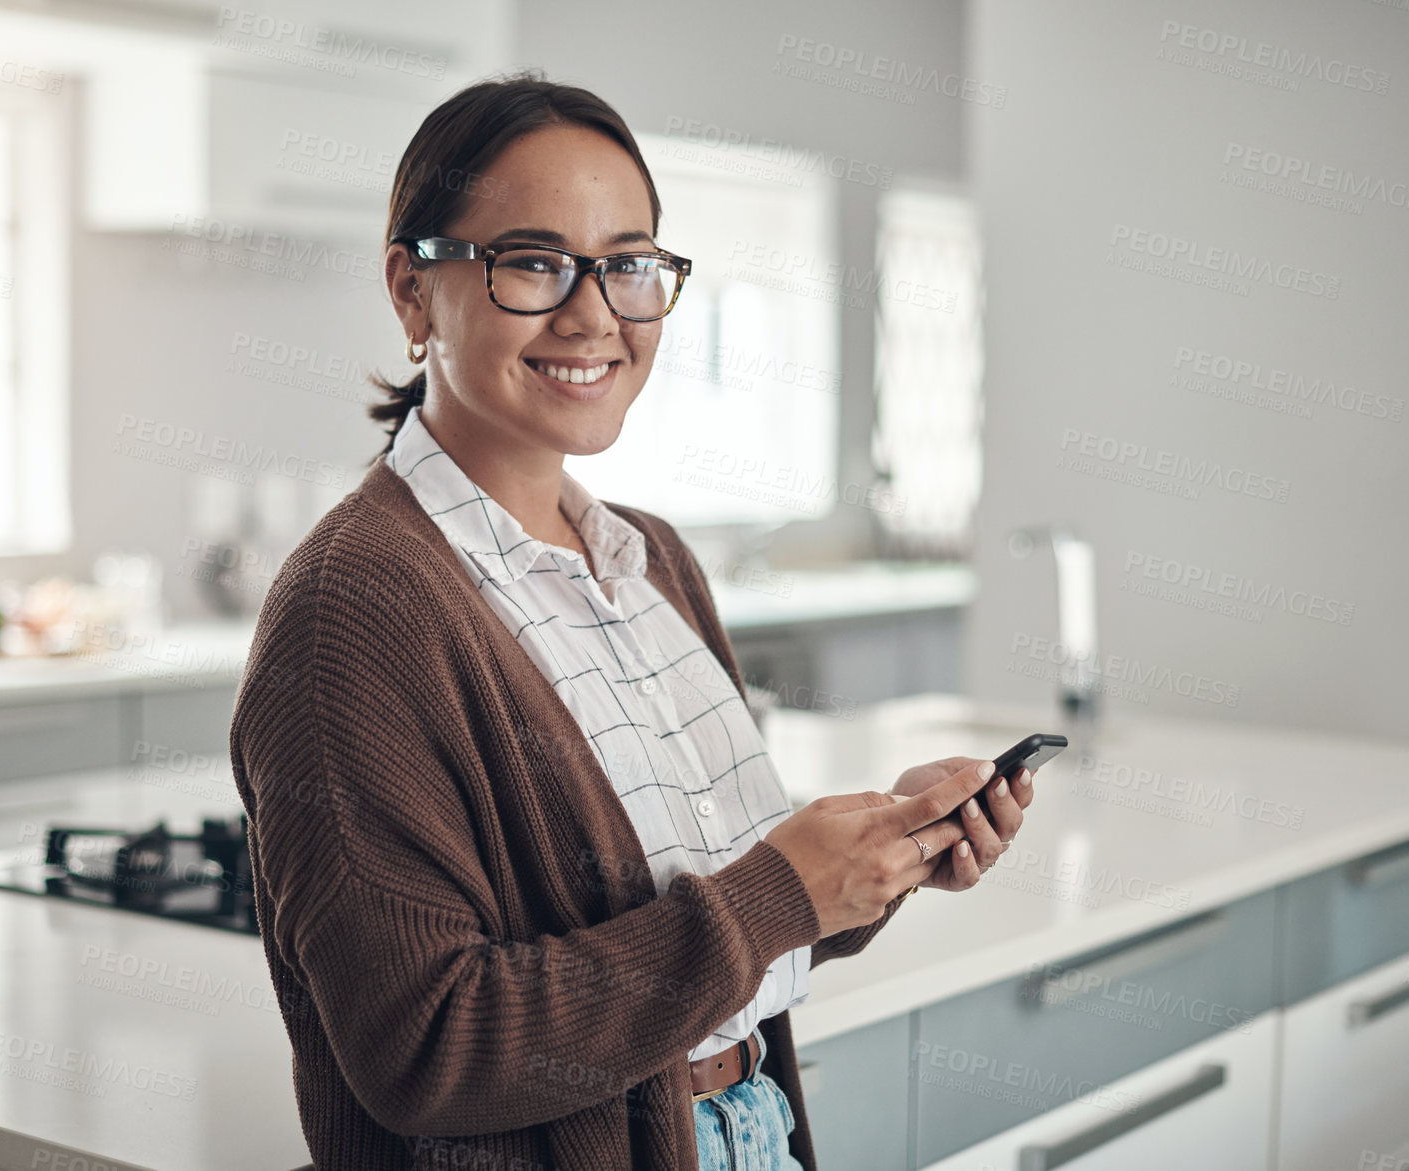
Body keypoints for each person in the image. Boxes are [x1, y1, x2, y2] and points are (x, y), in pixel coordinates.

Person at [229, 68, 1034, 1171]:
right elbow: (423, 1048)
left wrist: (871, 864)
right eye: (531, 261)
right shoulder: (355, 607)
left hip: (747, 1132)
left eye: (627, 265)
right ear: (412, 292)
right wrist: (772, 896)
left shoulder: (651, 558)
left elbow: (703, 927)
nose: (592, 313)